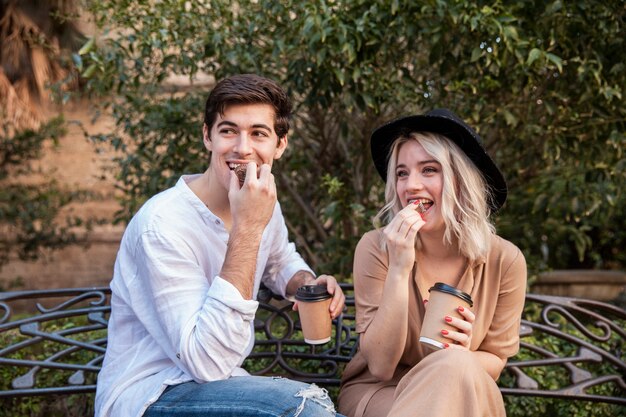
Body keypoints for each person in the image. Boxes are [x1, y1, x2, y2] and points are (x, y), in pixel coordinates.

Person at [95, 74, 346, 417]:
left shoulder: (258, 202)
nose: (242, 148)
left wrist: (305, 283)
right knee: (303, 408)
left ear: (280, 145)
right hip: (150, 395)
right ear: (207, 136)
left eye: (258, 133)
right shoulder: (161, 225)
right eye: (228, 130)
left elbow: (279, 260)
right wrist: (247, 227)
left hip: (224, 386)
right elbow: (205, 361)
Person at [338, 109, 527, 417]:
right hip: (384, 393)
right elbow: (381, 366)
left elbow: (494, 361)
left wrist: (457, 358)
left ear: (460, 180)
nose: (411, 185)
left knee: (453, 372)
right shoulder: (375, 248)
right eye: (401, 173)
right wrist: (399, 267)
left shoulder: (505, 261)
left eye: (428, 170)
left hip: (464, 388)